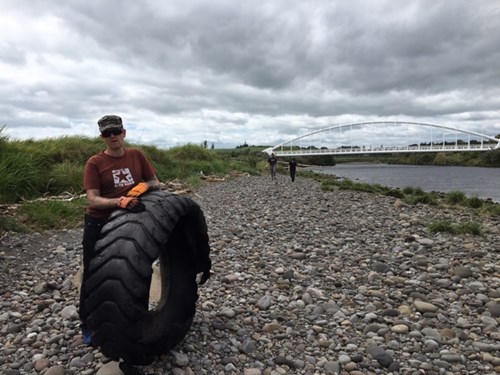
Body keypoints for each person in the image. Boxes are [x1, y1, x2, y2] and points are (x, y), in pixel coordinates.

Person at [80, 115, 160, 344]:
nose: (113, 136)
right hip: (100, 222)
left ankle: (132, 316)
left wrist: (144, 186)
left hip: (132, 221)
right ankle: (88, 324)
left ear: (124, 132)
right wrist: (118, 202)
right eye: (107, 133)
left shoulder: (136, 155)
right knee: (92, 274)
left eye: (116, 131)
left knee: (134, 271)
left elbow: (155, 182)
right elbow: (92, 200)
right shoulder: (95, 163)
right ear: (102, 137)